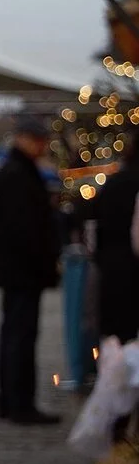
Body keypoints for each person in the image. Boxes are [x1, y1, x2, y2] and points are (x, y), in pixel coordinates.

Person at [0, 116, 62, 426]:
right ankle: (19, 402)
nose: (42, 146)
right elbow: (25, 230)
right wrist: (44, 262)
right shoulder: (18, 174)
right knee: (20, 336)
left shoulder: (16, 171)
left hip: (18, 270)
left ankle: (11, 399)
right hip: (23, 271)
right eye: (38, 139)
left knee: (14, 335)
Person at [86, 129, 139, 344]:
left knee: (117, 339)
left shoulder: (116, 182)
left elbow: (94, 222)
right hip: (129, 270)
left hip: (112, 269)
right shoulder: (130, 183)